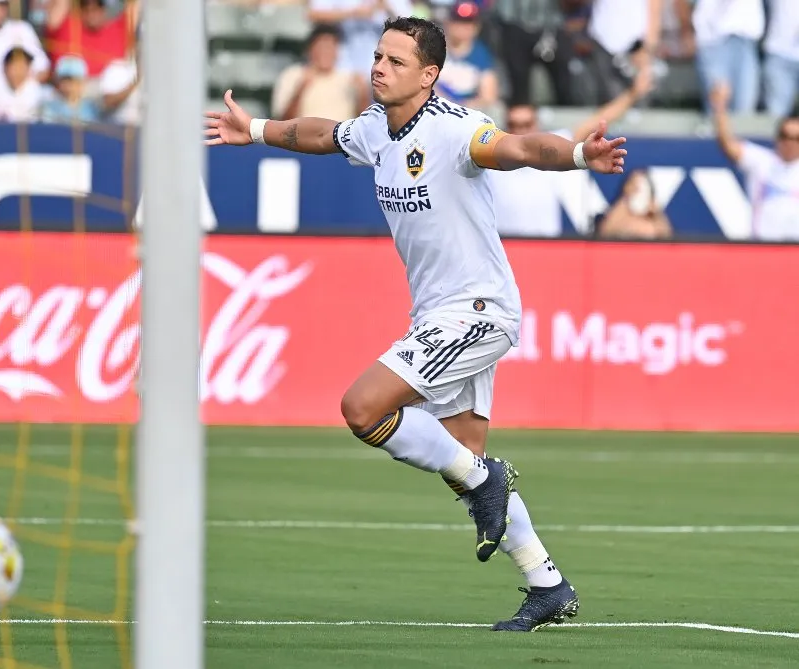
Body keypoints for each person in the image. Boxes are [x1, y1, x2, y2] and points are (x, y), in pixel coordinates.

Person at [205, 16, 627, 631]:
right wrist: (260, 130)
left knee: (363, 408)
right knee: (463, 459)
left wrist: (577, 155)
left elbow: (516, 148)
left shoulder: (458, 131)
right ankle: (547, 583)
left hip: (477, 310)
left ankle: (487, 480)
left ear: (429, 75)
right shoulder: (376, 127)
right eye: (378, 56)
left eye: (396, 61)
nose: (379, 67)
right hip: (440, 313)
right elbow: (320, 133)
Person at [491, 66, 652, 237]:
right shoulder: (494, 154)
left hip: (544, 250)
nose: (521, 131)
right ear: (506, 126)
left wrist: (633, 93)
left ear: (536, 123)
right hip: (504, 248)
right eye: (514, 125)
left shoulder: (551, 147)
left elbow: (598, 121)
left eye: (527, 124)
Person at [711, 83, 799, 242]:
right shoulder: (762, 161)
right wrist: (720, 107)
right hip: (763, 246)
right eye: (785, 136)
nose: (790, 143)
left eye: (796, 138)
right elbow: (728, 144)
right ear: (778, 138)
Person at [272, 24, 370, 122]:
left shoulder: (349, 79)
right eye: (321, 47)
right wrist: (300, 90)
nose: (326, 52)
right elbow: (282, 121)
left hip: (339, 135)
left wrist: (362, 95)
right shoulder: (292, 75)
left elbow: (364, 124)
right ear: (309, 50)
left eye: (330, 47)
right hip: (304, 135)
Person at [435, 0, 497, 110]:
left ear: (477, 27)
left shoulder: (481, 54)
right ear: (448, 23)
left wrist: (461, 107)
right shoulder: (433, 48)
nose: (463, 27)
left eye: (469, 22)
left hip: (467, 111)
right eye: (458, 21)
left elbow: (488, 96)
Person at [594, 168, 672, 238]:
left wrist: (657, 213)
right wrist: (624, 200)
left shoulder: (654, 218)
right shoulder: (619, 215)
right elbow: (604, 233)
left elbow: (668, 238)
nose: (639, 191)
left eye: (643, 188)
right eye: (634, 185)